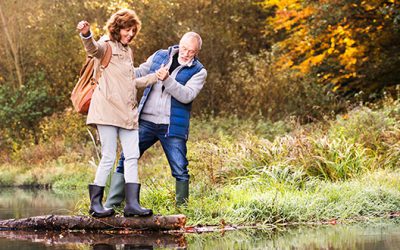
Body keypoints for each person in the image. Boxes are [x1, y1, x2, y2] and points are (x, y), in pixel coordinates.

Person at [104, 31, 207, 208]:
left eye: (191, 51)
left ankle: (182, 211)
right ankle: (112, 205)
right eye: (183, 48)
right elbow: (139, 72)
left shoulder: (199, 71)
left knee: (180, 169)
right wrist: (119, 71)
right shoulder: (160, 56)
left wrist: (167, 80)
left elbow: (187, 95)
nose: (185, 53)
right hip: (146, 121)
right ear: (179, 44)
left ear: (197, 52)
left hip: (172, 126)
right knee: (126, 158)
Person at [76, 9, 160, 217]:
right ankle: (96, 205)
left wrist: (155, 77)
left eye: (133, 31)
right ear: (117, 28)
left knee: (132, 156)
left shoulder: (128, 51)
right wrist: (86, 34)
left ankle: (132, 204)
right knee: (108, 156)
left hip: (127, 113)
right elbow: (92, 49)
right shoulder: (106, 46)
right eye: (127, 30)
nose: (130, 34)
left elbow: (131, 82)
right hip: (106, 111)